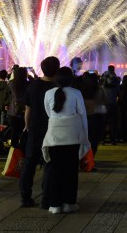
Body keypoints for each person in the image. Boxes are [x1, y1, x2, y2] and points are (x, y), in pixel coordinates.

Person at [42, 66, 90, 214]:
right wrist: (85, 137)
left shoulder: (48, 93)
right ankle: (69, 203)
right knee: (70, 171)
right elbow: (82, 115)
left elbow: (49, 113)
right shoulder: (76, 93)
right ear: (71, 79)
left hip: (54, 137)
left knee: (55, 171)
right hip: (72, 137)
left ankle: (55, 204)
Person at [20, 56, 60, 208]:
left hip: (35, 129)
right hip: (53, 129)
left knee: (29, 163)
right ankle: (46, 198)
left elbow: (28, 109)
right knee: (50, 164)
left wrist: (26, 126)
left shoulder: (33, 86)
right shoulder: (58, 87)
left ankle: (25, 197)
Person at [8, 67, 29, 146]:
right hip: (25, 110)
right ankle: (23, 148)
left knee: (14, 131)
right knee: (24, 130)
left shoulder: (11, 83)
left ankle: (14, 149)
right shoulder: (28, 84)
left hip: (13, 111)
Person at [102, 65, 120, 145]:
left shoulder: (103, 84)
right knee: (113, 123)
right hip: (113, 104)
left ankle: (103, 140)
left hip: (104, 105)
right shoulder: (116, 83)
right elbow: (118, 93)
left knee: (104, 123)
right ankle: (113, 140)